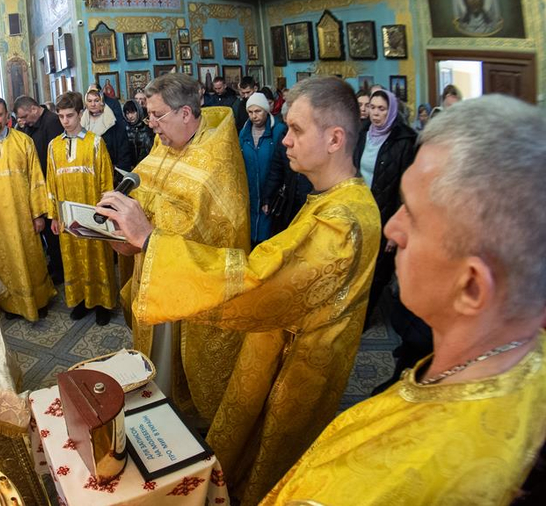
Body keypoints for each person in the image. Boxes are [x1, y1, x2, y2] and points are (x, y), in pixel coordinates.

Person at [97, 76, 380, 504]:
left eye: (297, 130)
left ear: (336, 138)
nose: (284, 140)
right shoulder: (329, 201)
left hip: (294, 369)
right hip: (275, 350)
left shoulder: (344, 223)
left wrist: (152, 242)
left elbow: (258, 282)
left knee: (268, 466)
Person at [261, 96, 546, 506]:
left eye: (410, 212)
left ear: (471, 288)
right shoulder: (517, 360)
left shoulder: (403, 482)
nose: (392, 229)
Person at [101, 73, 252, 448]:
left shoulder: (217, 158)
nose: (150, 124)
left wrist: (145, 230)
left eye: (156, 116)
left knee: (177, 368)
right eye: (149, 116)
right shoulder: (163, 144)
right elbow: (147, 190)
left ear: (186, 113)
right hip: (151, 273)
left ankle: (181, 433)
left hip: (189, 289)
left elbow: (220, 233)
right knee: (154, 360)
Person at [0, 97, 56, 321]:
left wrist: (38, 214)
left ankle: (39, 299)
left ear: (8, 116)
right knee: (3, 261)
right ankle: (12, 303)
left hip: (23, 214)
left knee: (32, 257)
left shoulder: (23, 141)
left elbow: (36, 178)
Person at [46, 92, 116, 325]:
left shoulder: (95, 142)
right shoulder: (53, 146)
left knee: (98, 257)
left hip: (92, 213)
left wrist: (106, 211)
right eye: (61, 116)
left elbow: (106, 180)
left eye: (70, 116)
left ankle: (102, 303)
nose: (65, 121)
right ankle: (81, 300)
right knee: (73, 257)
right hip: (67, 216)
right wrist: (53, 215)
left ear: (79, 114)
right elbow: (51, 183)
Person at [355, 89, 417, 322]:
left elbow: (406, 190)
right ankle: (352, 315)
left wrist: (397, 229)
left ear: (391, 111)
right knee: (356, 267)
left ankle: (364, 319)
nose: (375, 113)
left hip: (386, 215)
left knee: (378, 273)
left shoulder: (404, 141)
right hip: (360, 212)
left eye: (382, 109)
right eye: (372, 107)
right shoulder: (361, 134)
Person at [15, 95, 65, 284]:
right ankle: (54, 263)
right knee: (46, 232)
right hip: (38, 185)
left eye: (25, 116)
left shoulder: (52, 122)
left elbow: (52, 156)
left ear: (34, 109)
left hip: (50, 183)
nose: (24, 121)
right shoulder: (30, 125)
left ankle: (60, 270)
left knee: (54, 231)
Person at [239, 93, 286, 245]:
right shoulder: (244, 133)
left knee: (269, 237)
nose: (254, 116)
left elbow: (282, 165)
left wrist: (273, 192)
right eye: (250, 112)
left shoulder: (278, 131)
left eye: (258, 111)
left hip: (271, 191)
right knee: (251, 234)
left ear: (266, 110)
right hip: (250, 190)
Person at [263, 103, 313, 235]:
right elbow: (276, 170)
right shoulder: (284, 137)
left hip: (311, 198)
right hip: (291, 197)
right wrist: (268, 197)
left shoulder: (313, 137)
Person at [82, 86, 133, 176]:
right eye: (89, 101)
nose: (93, 104)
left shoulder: (113, 123)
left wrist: (117, 175)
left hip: (111, 173)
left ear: (102, 101)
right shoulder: (81, 123)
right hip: (88, 173)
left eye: (96, 100)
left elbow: (124, 154)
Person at [122, 99, 155, 166]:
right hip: (128, 167)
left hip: (145, 165)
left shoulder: (147, 128)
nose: (130, 116)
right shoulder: (124, 129)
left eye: (133, 112)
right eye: (127, 113)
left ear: (138, 111)